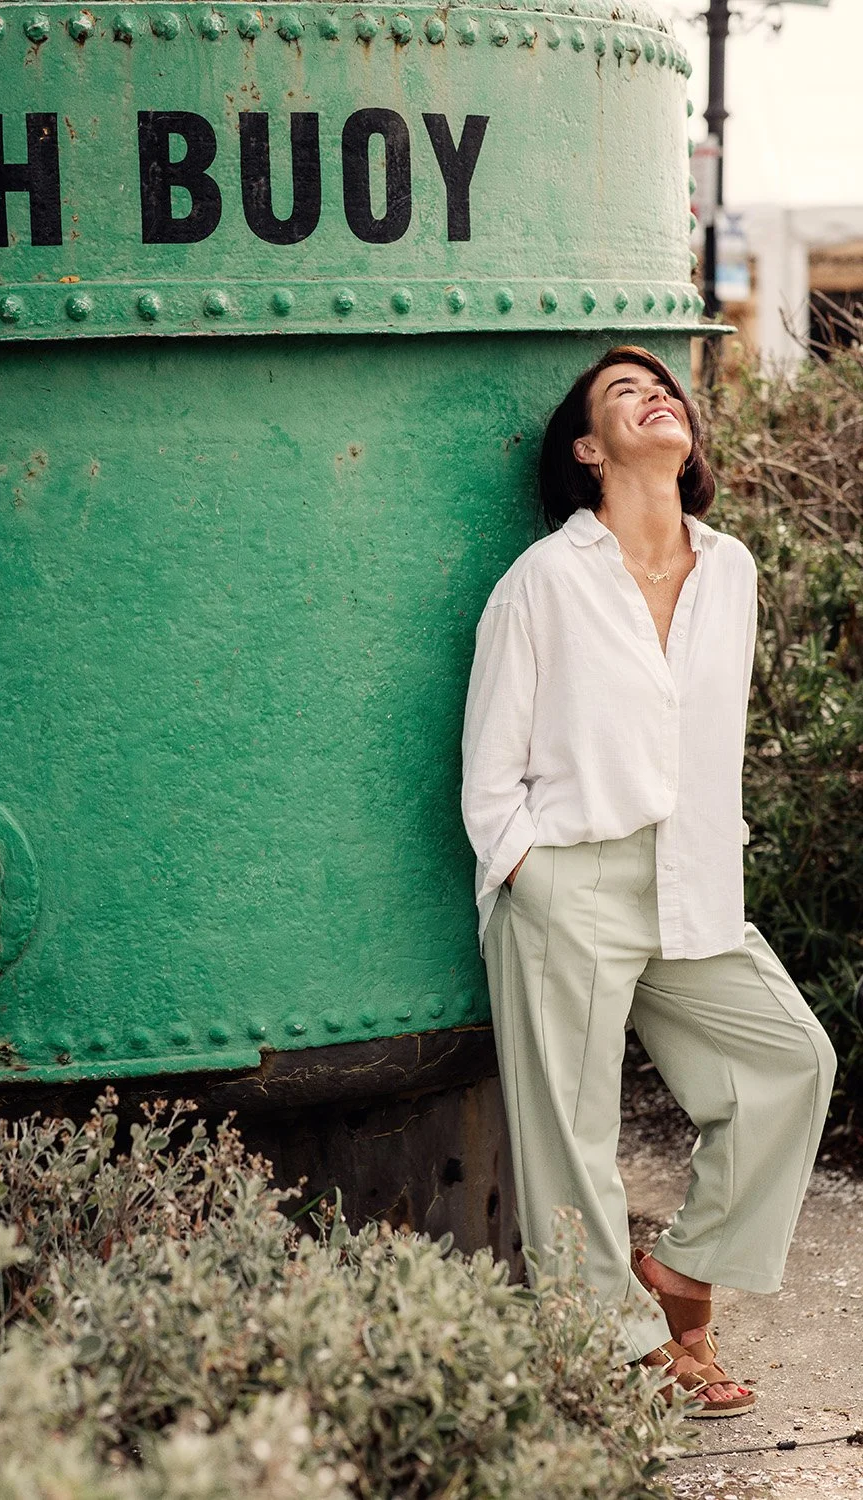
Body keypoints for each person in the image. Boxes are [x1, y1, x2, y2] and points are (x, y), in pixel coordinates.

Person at [460, 345, 837, 1417]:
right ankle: (618, 1357)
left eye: (663, 386)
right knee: (568, 1137)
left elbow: (708, 742)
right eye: (624, 393)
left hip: (694, 874)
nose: (655, 395)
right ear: (589, 450)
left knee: (789, 1064)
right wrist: (528, 869)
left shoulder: (732, 570)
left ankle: (677, 1272)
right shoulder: (543, 579)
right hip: (567, 876)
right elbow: (489, 767)